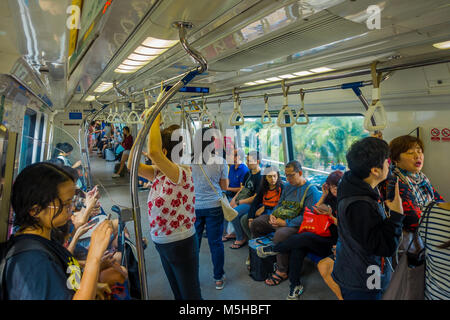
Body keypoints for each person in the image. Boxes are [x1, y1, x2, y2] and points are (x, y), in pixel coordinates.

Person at [3, 162, 113, 300]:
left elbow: (67, 282)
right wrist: (94, 257)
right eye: (66, 204)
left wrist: (90, 288)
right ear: (35, 210)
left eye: (72, 201)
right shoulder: (32, 262)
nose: (72, 208)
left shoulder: (46, 241)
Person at [127, 112, 202, 300]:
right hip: (162, 242)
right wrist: (144, 130)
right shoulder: (159, 174)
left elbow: (153, 152)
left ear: (165, 153)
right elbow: (131, 165)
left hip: (180, 243)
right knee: (178, 292)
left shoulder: (180, 173)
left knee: (190, 295)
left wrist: (154, 117)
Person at [331, 137, 404, 300]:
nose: (390, 165)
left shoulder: (350, 181)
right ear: (375, 171)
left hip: (353, 264)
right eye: (387, 161)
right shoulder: (360, 205)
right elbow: (384, 247)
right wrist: (397, 216)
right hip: (364, 278)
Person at [256, 170, 343, 300]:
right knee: (298, 247)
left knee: (304, 238)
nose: (333, 190)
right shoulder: (330, 198)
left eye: (336, 187)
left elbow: (345, 226)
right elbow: (314, 210)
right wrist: (324, 195)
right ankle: (295, 285)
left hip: (333, 242)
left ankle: (275, 249)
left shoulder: (345, 202)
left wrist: (330, 216)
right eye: (331, 187)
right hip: (320, 235)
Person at [250, 160, 322, 286]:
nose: (288, 179)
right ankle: (264, 256)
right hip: (280, 218)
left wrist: (285, 223)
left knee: (280, 234)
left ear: (300, 173)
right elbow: (280, 204)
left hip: (296, 225)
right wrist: (273, 215)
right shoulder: (288, 187)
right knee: (257, 223)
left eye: (291, 175)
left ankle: (282, 270)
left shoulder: (311, 191)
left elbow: (307, 217)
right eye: (286, 175)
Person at [191, 127, 229, 290]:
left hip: (194, 207)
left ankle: (192, 278)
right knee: (216, 243)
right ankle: (218, 278)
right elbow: (224, 186)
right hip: (214, 206)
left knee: (194, 244)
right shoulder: (220, 161)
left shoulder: (187, 160)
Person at [227, 151, 262, 249]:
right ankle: (234, 233)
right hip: (243, 199)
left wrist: (239, 202)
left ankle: (241, 238)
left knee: (234, 213)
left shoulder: (260, 177)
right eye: (247, 160)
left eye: (250, 161)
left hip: (252, 204)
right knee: (229, 208)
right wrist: (234, 199)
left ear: (257, 161)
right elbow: (242, 189)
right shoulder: (248, 173)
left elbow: (255, 198)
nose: (247, 163)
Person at [222, 148, 249, 242]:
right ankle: (226, 232)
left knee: (231, 211)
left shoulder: (244, 170)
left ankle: (240, 237)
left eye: (233, 155)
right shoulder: (232, 168)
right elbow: (228, 182)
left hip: (238, 195)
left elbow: (241, 189)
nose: (231, 157)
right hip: (229, 194)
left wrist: (227, 189)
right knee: (222, 206)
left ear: (239, 157)